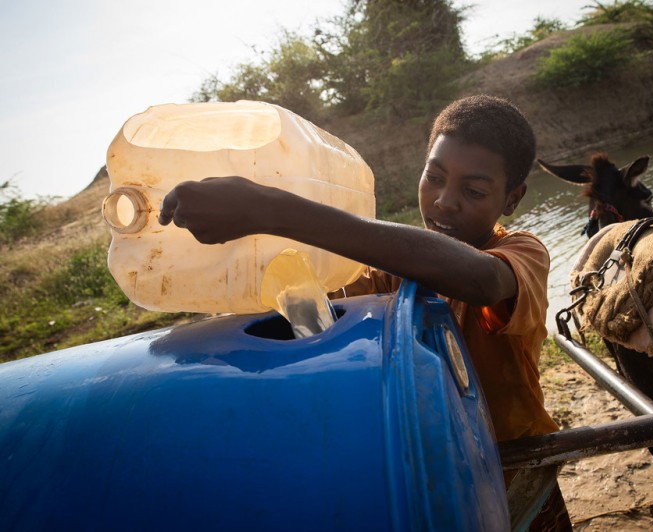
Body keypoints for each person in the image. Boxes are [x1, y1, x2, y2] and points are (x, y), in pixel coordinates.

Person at [158, 94, 572, 530]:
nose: (445, 201)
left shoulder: (519, 253)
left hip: (516, 471)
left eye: (473, 191)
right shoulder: (390, 271)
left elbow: (480, 281)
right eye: (434, 176)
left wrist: (271, 208)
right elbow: (313, 307)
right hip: (431, 470)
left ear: (512, 198)